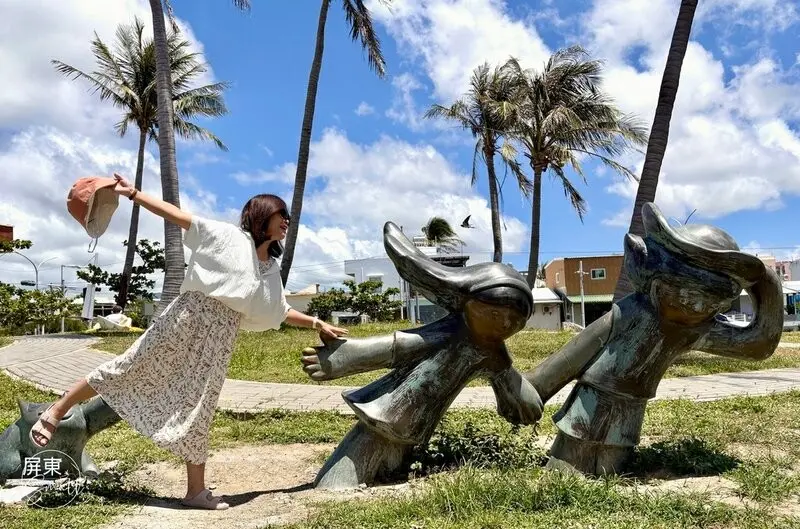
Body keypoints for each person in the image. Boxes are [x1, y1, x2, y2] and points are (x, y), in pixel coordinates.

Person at [29, 174, 348, 510]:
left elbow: (279, 310)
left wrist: (316, 322)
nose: (286, 221)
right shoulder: (225, 236)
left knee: (201, 407)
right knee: (126, 368)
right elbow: (175, 215)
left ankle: (194, 492)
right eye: (281, 214)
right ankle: (57, 410)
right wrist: (134, 194)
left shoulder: (269, 268)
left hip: (220, 337)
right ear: (261, 215)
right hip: (187, 318)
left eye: (288, 217)